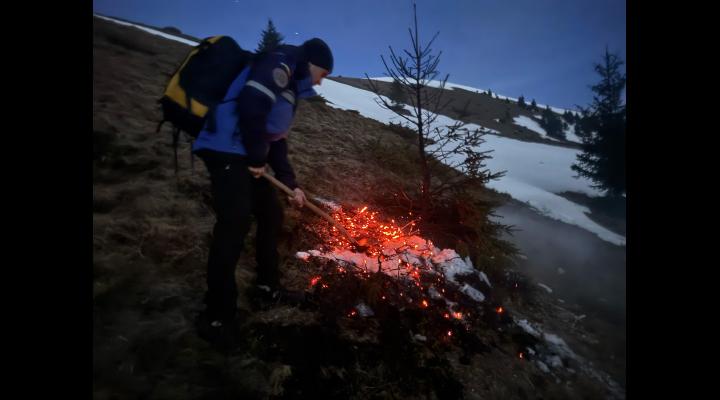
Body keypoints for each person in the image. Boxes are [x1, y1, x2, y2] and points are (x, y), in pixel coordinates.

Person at [192, 38, 333, 348]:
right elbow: (252, 105)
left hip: (245, 154)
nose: (321, 82)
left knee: (272, 214)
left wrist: (291, 183)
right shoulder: (279, 64)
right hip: (225, 150)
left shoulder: (291, 85)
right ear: (313, 64)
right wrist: (256, 158)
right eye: (323, 74)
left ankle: (267, 288)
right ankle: (216, 316)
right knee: (234, 223)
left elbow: (276, 139)